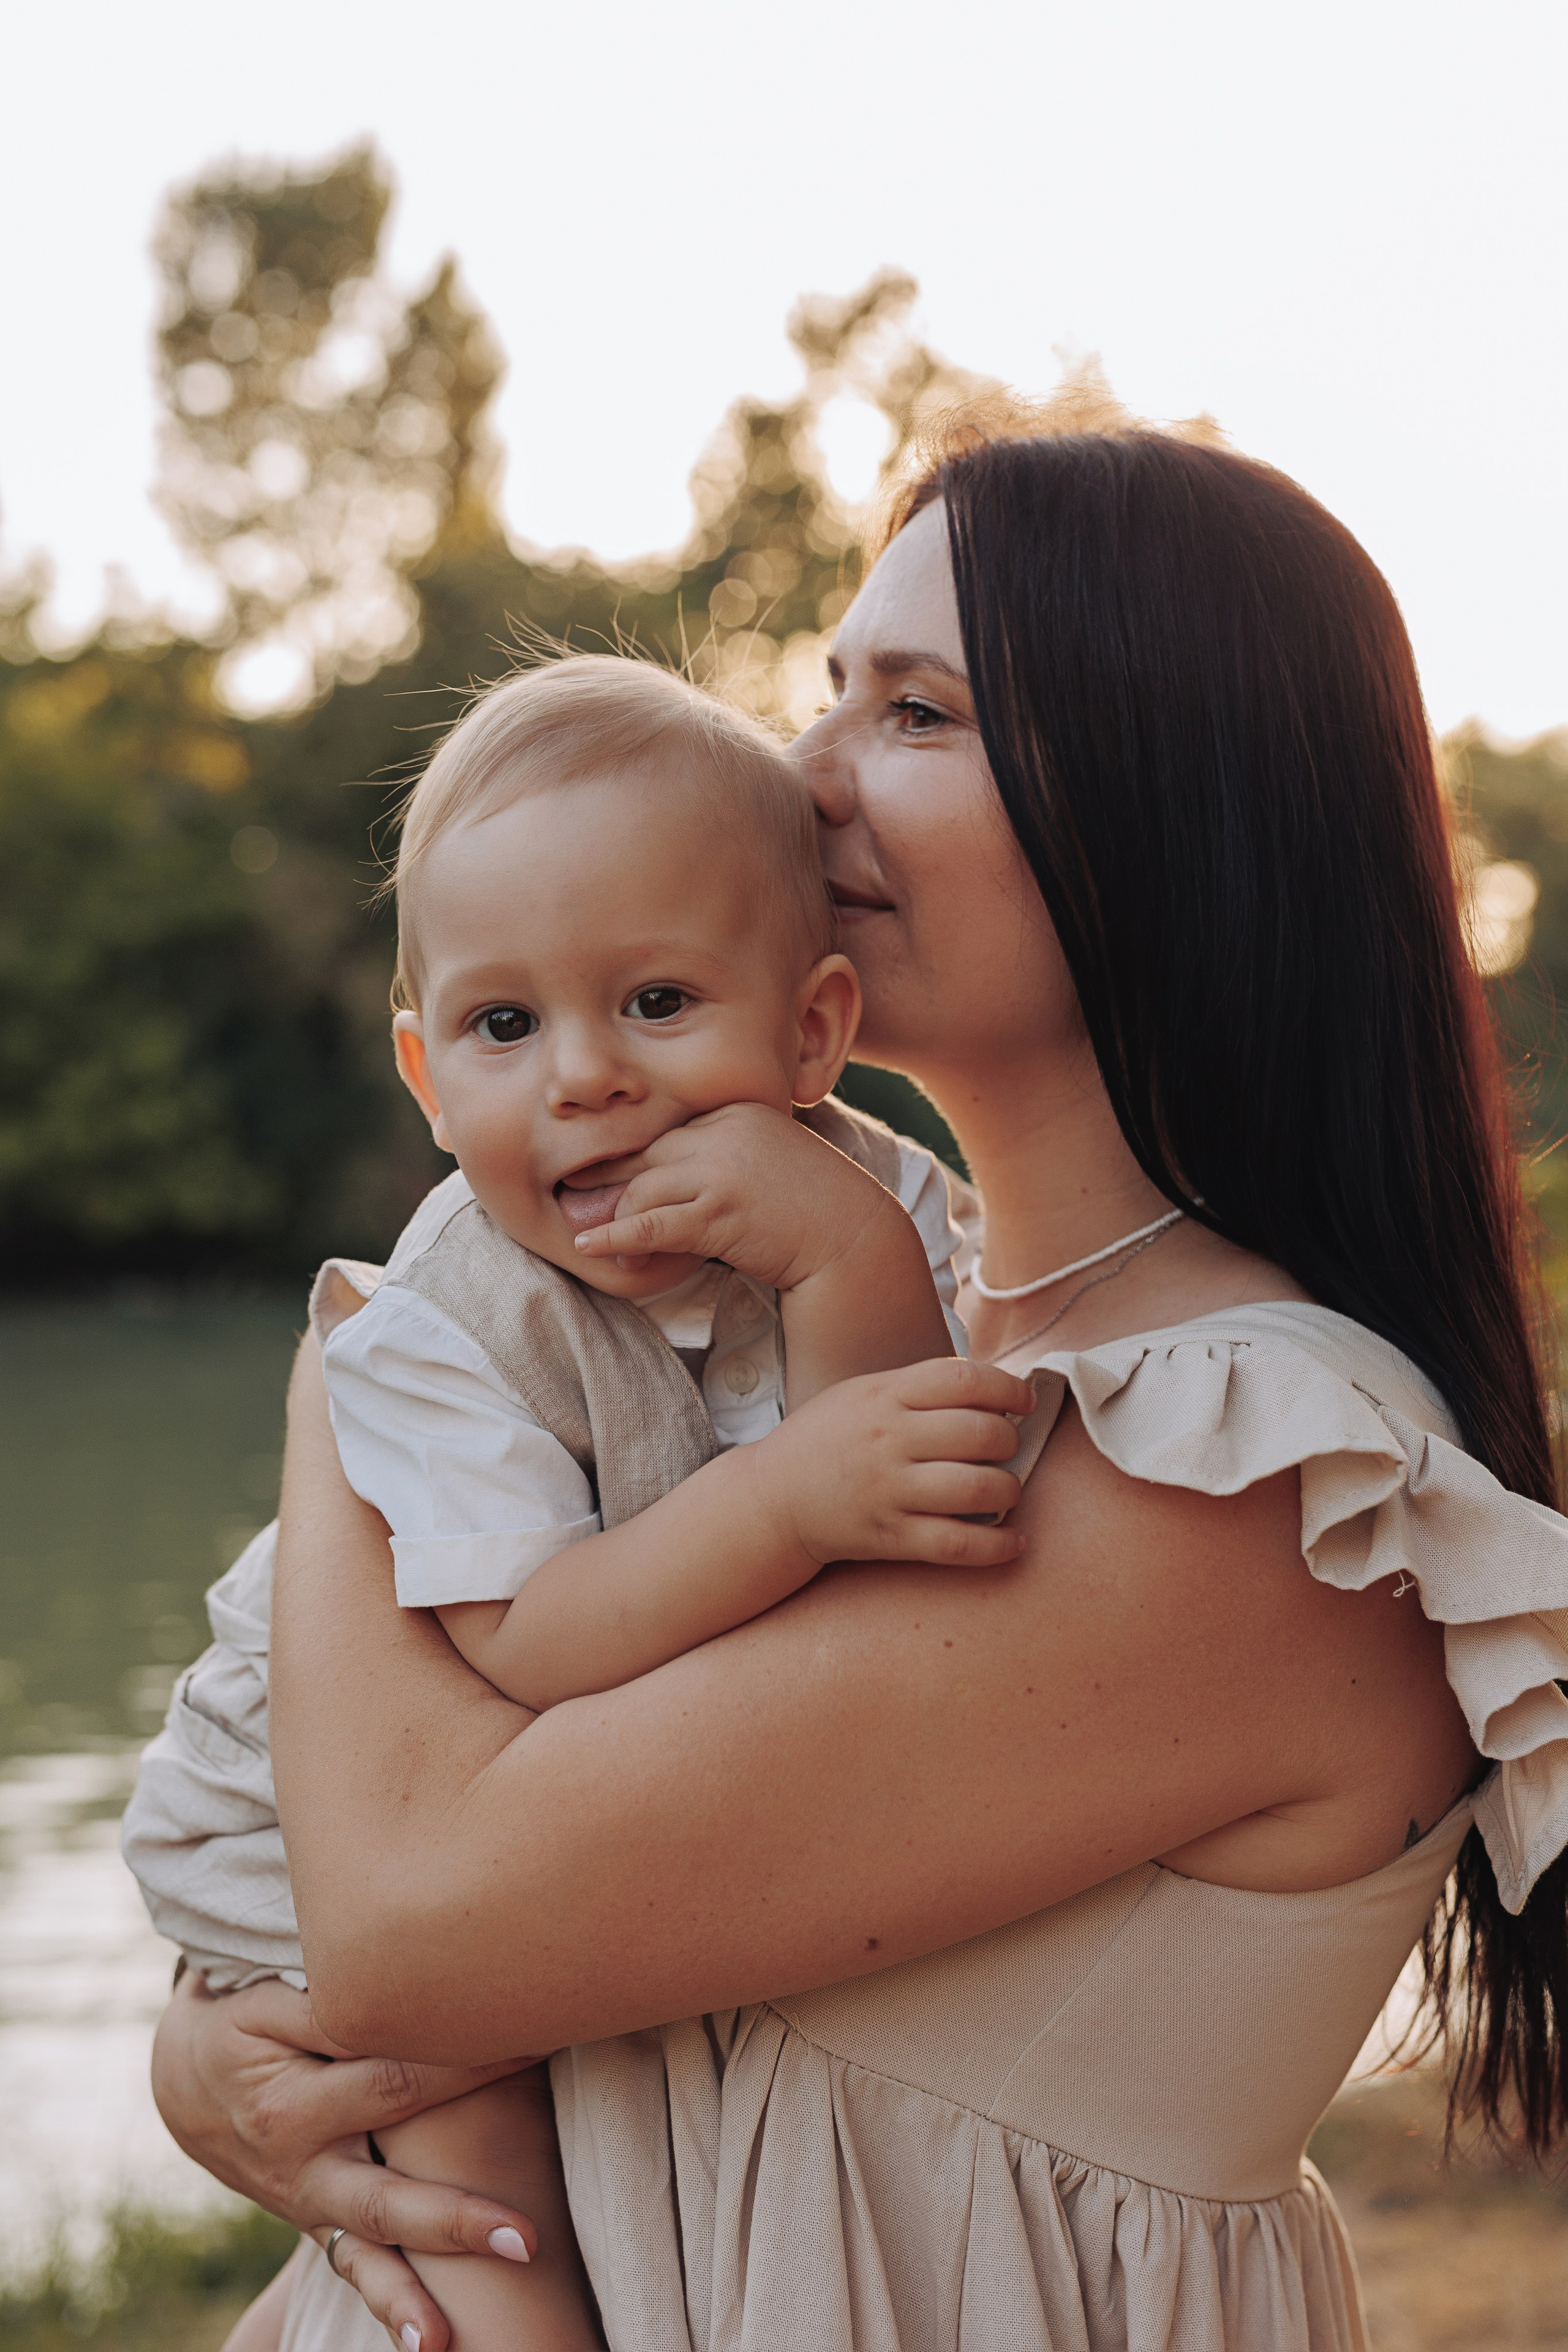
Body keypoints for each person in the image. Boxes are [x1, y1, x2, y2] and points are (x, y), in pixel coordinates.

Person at [149, 417, 1568, 2352]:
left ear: (1182, 805)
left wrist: (379, 1343)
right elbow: (470, 1909)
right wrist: (209, 2043)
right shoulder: (852, 1335)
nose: (806, 778)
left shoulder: (1263, 1479)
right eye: (830, 692)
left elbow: (416, 1925)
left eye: (916, 712)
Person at [122, 655, 1017, 2349]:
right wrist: (793, 1503)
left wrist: (838, 1255)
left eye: (658, 1004)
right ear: (426, 1075)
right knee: (479, 2165)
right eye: (505, 1026)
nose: (584, 1078)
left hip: (529, 1814)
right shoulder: (444, 1328)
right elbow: (532, 1638)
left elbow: (895, 1522)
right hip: (298, 1818)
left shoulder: (886, 1201)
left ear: (814, 1030)